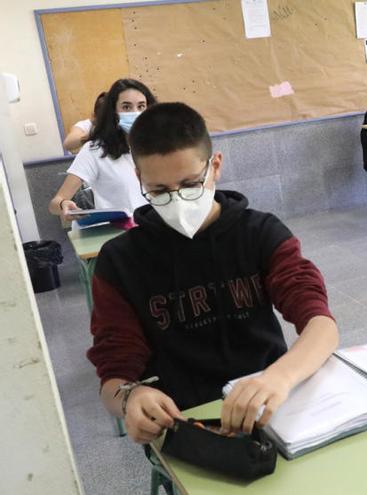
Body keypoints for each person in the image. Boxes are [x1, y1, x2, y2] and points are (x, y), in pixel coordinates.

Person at [86, 101, 338, 444]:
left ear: (214, 166)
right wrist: (132, 398)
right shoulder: (120, 261)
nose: (177, 201)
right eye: (159, 191)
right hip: (185, 422)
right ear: (140, 178)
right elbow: (114, 374)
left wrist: (279, 377)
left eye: (190, 184)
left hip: (273, 402)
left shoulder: (260, 233)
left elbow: (320, 324)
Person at [49, 79, 156, 222]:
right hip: (120, 234)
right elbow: (55, 203)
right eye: (126, 107)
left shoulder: (159, 146)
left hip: (157, 230)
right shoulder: (95, 150)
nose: (135, 113)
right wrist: (63, 205)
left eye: (141, 106)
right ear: (113, 112)